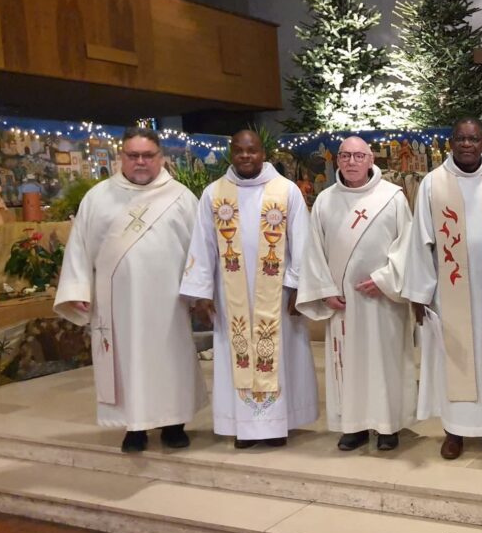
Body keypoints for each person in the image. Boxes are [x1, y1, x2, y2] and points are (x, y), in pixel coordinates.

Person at [54, 127, 205, 452]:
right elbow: (79, 247)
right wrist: (78, 288)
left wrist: (201, 293)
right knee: (126, 363)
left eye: (147, 155)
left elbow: (200, 250)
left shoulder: (180, 198)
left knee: (170, 361)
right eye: (133, 155)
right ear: (120, 157)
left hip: (169, 303)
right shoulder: (98, 198)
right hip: (117, 305)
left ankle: (173, 424)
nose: (140, 162)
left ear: (160, 157)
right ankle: (133, 428)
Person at [181, 129, 318, 448]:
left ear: (263, 153)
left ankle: (277, 424)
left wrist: (298, 285)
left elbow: (303, 241)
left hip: (279, 293)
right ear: (231, 152)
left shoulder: (286, 191)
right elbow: (201, 244)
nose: (245, 156)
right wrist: (200, 292)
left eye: (252, 150)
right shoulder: (214, 194)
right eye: (239, 150)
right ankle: (245, 427)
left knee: (280, 354)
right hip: (232, 296)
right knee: (237, 354)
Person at [403, 119, 482, 459]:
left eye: (474, 139)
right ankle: (454, 431)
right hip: (448, 290)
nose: (467, 144)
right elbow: (419, 241)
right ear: (451, 142)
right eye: (461, 138)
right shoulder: (432, 184)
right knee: (454, 358)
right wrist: (419, 294)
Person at [296, 136, 414, 452]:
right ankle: (353, 426)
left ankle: (388, 426)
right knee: (346, 364)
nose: (351, 162)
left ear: (370, 158)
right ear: (337, 160)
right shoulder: (325, 201)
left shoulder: (392, 198)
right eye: (345, 155)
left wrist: (386, 279)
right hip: (343, 302)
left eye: (358, 156)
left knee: (383, 363)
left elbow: (407, 248)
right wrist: (325, 291)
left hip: (382, 300)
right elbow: (313, 252)